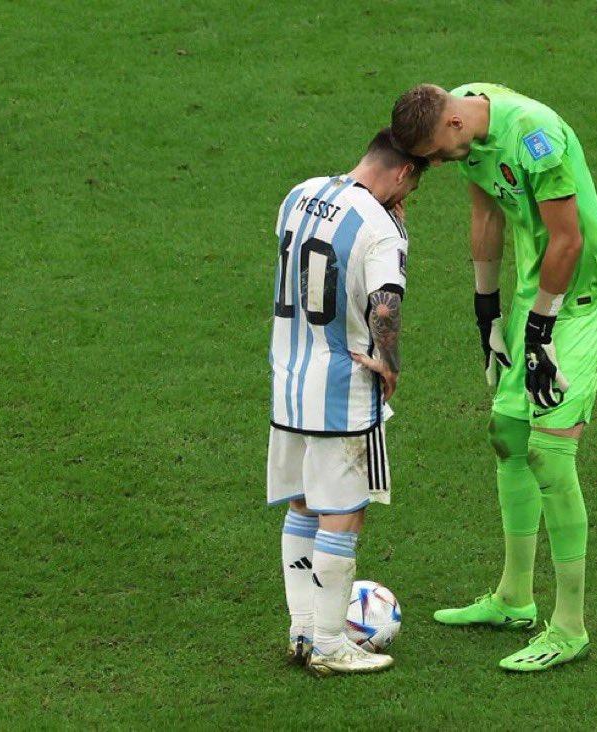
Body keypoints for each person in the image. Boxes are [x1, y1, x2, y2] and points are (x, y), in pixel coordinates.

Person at [391, 83, 597, 671]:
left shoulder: (536, 141)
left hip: (582, 298)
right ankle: (514, 598)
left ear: (451, 122)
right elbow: (485, 214)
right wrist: (487, 311)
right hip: (533, 297)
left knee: (550, 454)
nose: (439, 165)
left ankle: (569, 627)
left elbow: (568, 240)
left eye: (438, 154)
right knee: (507, 433)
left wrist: (541, 333)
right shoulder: (468, 132)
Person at [267, 128, 425, 676]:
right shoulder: (381, 228)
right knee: (344, 510)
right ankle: (331, 643)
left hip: (288, 380)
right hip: (341, 387)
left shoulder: (299, 192)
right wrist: (391, 363)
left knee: (304, 502)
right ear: (404, 173)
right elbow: (384, 307)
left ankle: (303, 630)